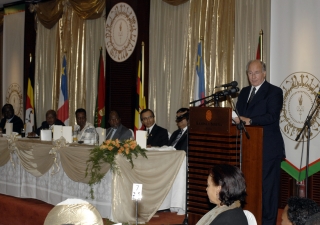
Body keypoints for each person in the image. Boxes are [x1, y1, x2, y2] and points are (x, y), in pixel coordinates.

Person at [234, 60, 285, 225]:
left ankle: (268, 222)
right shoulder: (244, 92)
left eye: (256, 73)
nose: (253, 76)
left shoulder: (274, 91)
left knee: (268, 190)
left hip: (268, 149)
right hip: (248, 149)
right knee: (248, 188)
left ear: (264, 73)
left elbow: (272, 116)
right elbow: (239, 115)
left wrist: (249, 120)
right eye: (250, 73)